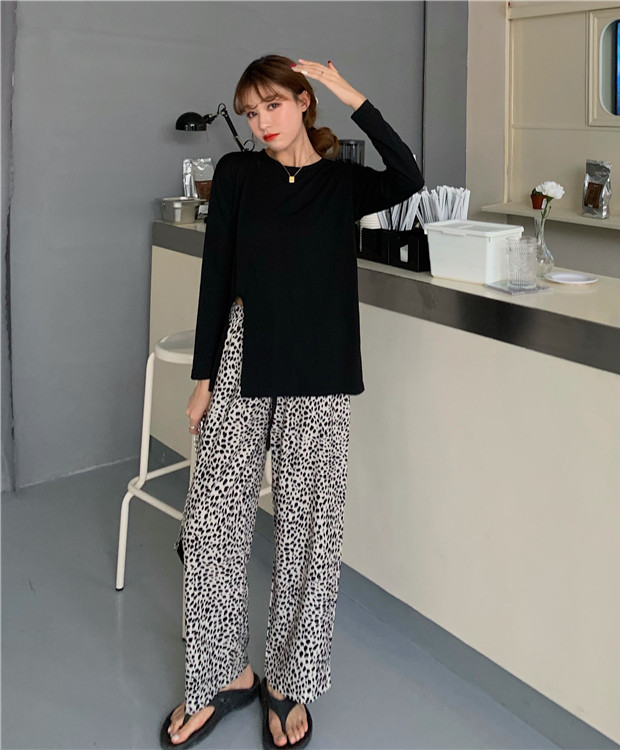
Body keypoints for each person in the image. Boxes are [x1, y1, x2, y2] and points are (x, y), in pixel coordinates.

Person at [160, 53, 424, 750]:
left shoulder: (342, 183)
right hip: (244, 351)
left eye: (273, 105)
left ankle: (288, 680)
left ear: (304, 101)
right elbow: (217, 275)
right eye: (251, 113)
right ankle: (222, 674)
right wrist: (204, 376)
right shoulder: (238, 174)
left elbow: (409, 175)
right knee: (213, 523)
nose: (261, 123)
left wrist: (349, 90)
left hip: (320, 364)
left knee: (310, 528)